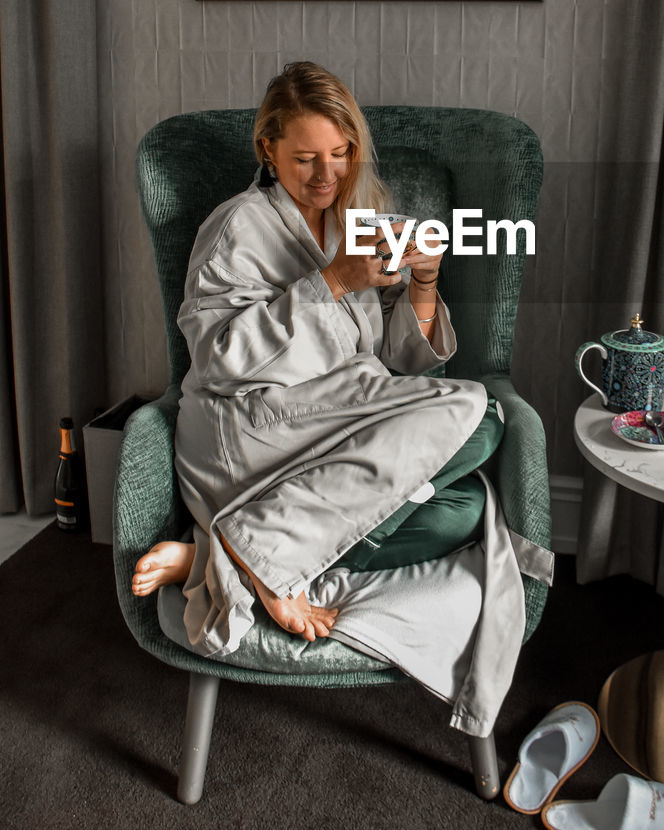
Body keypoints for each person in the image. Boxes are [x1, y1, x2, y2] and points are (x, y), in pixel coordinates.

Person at [132, 62, 507, 651]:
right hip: (254, 428)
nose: (326, 174)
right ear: (269, 149)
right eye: (305, 158)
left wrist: (424, 284)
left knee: (463, 509)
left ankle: (219, 557)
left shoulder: (352, 224)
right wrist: (331, 282)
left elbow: (400, 366)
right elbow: (216, 357)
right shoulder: (235, 227)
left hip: (331, 422)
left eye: (340, 153)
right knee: (480, 420)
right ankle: (258, 548)